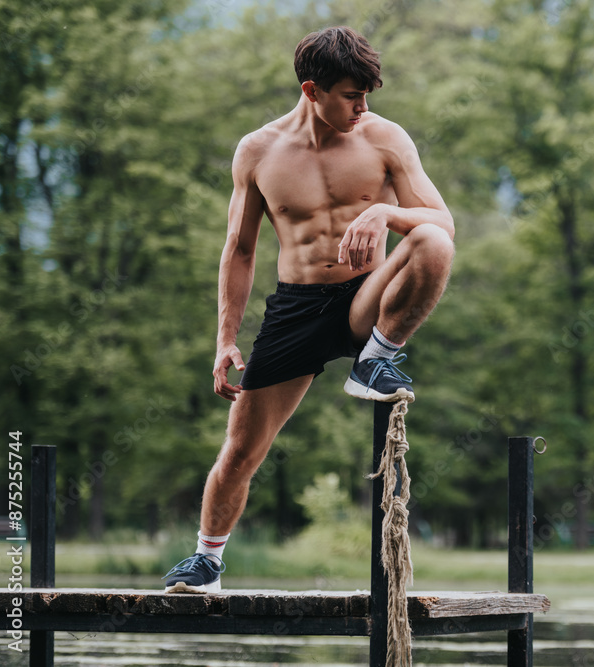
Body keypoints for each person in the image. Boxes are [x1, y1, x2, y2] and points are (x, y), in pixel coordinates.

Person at [162, 26, 454, 594]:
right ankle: (206, 561)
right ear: (311, 89)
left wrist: (386, 217)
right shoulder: (259, 151)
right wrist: (225, 339)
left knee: (434, 245)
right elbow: (241, 249)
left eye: (367, 95)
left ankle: (376, 359)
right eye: (351, 96)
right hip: (296, 309)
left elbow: (442, 222)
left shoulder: (386, 139)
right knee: (243, 448)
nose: (361, 108)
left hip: (366, 298)